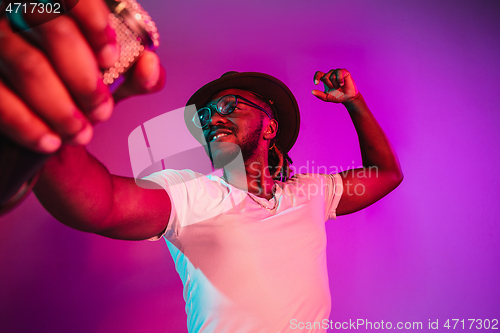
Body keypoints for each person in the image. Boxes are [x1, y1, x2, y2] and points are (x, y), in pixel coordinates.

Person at [0, 1, 403, 332]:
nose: (213, 118)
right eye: (206, 114)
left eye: (230, 107)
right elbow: (102, 203)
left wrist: (354, 101)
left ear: (270, 127)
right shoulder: (195, 194)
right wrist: (53, 124)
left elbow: (386, 175)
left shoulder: (309, 192)